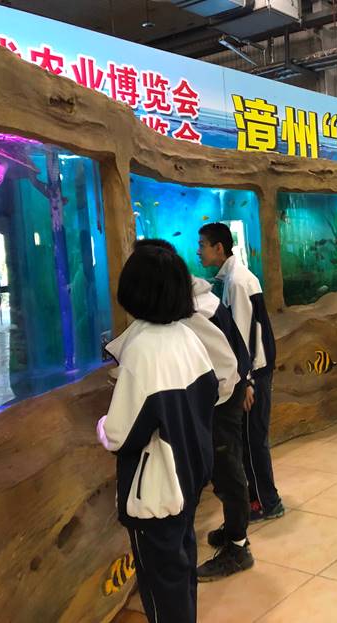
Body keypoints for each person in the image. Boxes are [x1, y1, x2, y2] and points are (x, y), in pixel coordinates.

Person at [97, 245, 219, 623]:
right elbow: (209, 395)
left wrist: (102, 425)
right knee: (181, 566)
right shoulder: (188, 337)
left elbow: (119, 435)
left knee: (161, 582)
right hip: (189, 475)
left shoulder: (142, 350)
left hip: (157, 493)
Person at [133, 239, 254, 581]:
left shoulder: (195, 310)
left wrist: (222, 396)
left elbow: (226, 361)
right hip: (220, 395)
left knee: (227, 470)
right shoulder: (195, 298)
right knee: (221, 468)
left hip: (221, 400)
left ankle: (238, 547)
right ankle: (234, 530)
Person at [197, 223, 284, 523]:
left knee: (252, 440)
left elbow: (244, 336)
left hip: (254, 375)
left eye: (202, 245)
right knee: (250, 439)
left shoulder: (237, 282)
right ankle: (259, 498)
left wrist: (246, 381)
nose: (198, 251)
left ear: (218, 248)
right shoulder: (235, 278)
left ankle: (267, 502)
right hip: (255, 372)